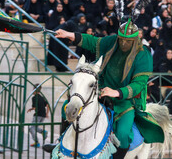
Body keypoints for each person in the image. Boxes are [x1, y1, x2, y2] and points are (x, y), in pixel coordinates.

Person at [55, 18, 155, 158]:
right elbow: (92, 41)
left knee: (123, 133)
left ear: (136, 39)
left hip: (125, 101)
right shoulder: (113, 41)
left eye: (128, 41)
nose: (124, 43)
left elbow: (139, 84)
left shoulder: (143, 54)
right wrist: (69, 34)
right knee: (67, 106)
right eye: (122, 40)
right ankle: (61, 144)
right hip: (101, 91)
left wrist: (116, 92)